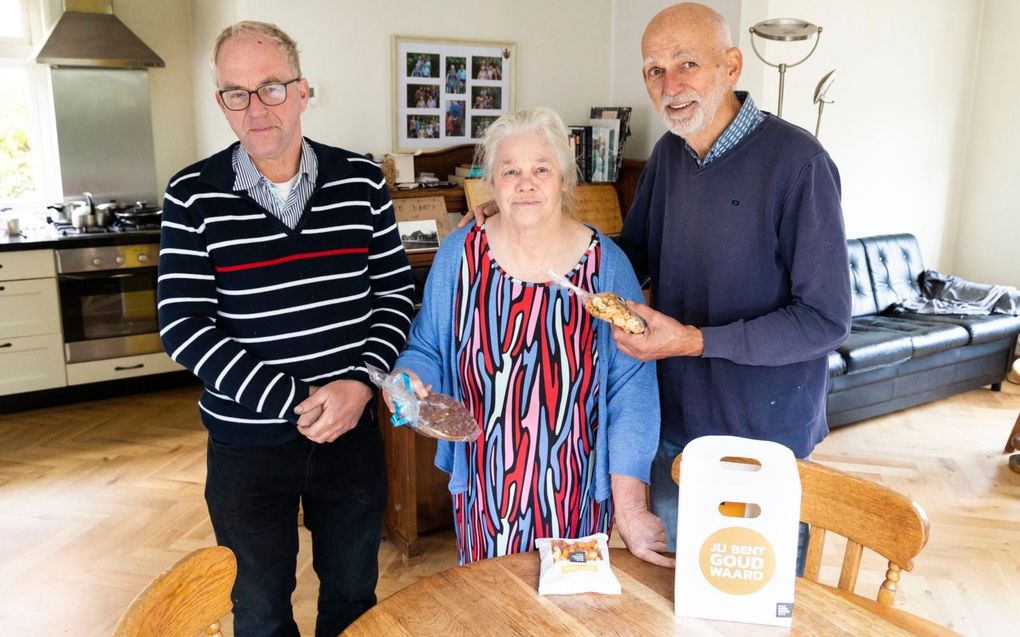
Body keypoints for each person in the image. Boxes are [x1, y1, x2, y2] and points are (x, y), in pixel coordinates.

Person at [157, 21, 414, 636]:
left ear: (303, 91)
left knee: (354, 598)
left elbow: (396, 294)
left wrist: (358, 383)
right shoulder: (193, 194)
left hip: (351, 433)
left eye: (271, 87)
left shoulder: (360, 181)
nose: (256, 108)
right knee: (259, 608)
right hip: (246, 445)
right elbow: (183, 324)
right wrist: (293, 401)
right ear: (221, 102)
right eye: (236, 93)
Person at [613, 2, 851, 568]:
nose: (669, 85)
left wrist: (694, 340)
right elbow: (632, 253)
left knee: (752, 610)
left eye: (687, 63)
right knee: (675, 602)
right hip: (675, 430)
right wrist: (536, 222)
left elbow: (825, 320)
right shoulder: (670, 154)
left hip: (763, 440)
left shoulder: (799, 163)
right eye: (653, 69)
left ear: (732, 66)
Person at [391, 107, 672, 567]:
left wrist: (632, 507)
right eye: (511, 170)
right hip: (484, 488)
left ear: (563, 178)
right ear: (493, 184)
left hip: (575, 489)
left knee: (571, 613)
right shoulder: (459, 256)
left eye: (541, 169)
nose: (526, 183)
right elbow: (425, 348)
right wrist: (406, 379)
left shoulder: (606, 266)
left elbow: (632, 391)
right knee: (490, 612)